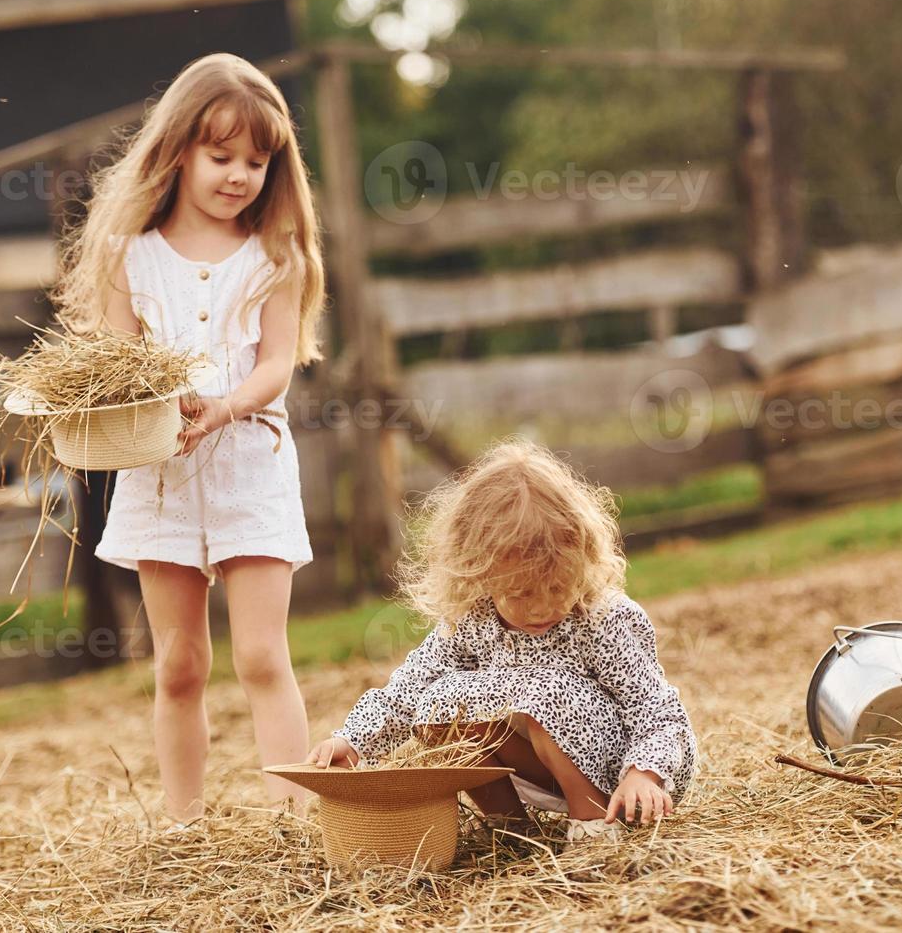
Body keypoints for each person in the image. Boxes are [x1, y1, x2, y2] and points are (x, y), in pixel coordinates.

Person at [51, 53, 327, 824]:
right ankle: (186, 825)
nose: (240, 174)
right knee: (178, 664)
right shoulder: (126, 257)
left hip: (251, 470)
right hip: (161, 479)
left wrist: (227, 405)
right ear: (178, 149)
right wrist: (152, 403)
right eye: (221, 155)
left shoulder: (278, 258)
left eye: (257, 160)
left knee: (263, 657)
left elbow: (278, 361)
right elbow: (116, 360)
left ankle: (290, 821)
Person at [306, 439, 698, 847]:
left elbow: (655, 710)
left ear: (581, 559)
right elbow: (409, 687)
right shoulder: (473, 618)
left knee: (550, 691)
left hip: (619, 771)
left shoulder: (603, 618)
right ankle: (509, 829)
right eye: (522, 593)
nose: (542, 606)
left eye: (557, 585)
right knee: (437, 702)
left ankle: (594, 827)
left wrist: (644, 772)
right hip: (534, 762)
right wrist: (354, 740)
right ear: (480, 576)